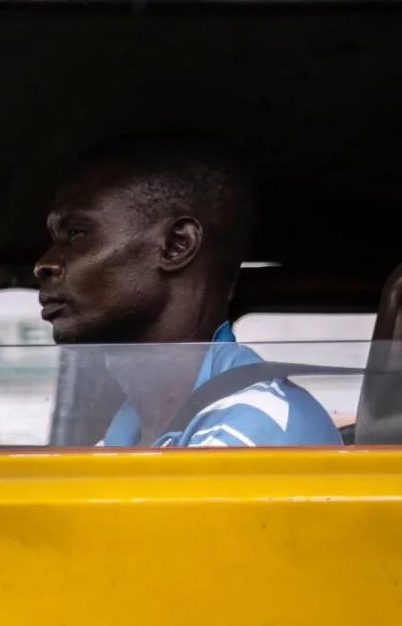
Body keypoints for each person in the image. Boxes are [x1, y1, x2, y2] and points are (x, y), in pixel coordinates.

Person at [34, 133, 340, 447]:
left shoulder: (251, 426)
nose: (43, 265)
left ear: (176, 245)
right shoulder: (131, 429)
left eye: (76, 234)